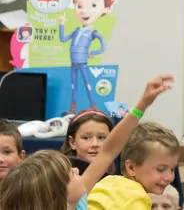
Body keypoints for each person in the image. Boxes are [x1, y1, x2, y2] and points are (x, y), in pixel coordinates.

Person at [0, 74, 174, 210]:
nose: (76, 169)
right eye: (70, 174)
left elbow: (108, 151)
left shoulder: (79, 202)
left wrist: (142, 105)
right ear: (58, 194)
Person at [60, 109, 116, 175]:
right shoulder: (62, 179)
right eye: (86, 138)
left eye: (101, 137)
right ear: (72, 143)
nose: (95, 144)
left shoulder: (116, 178)